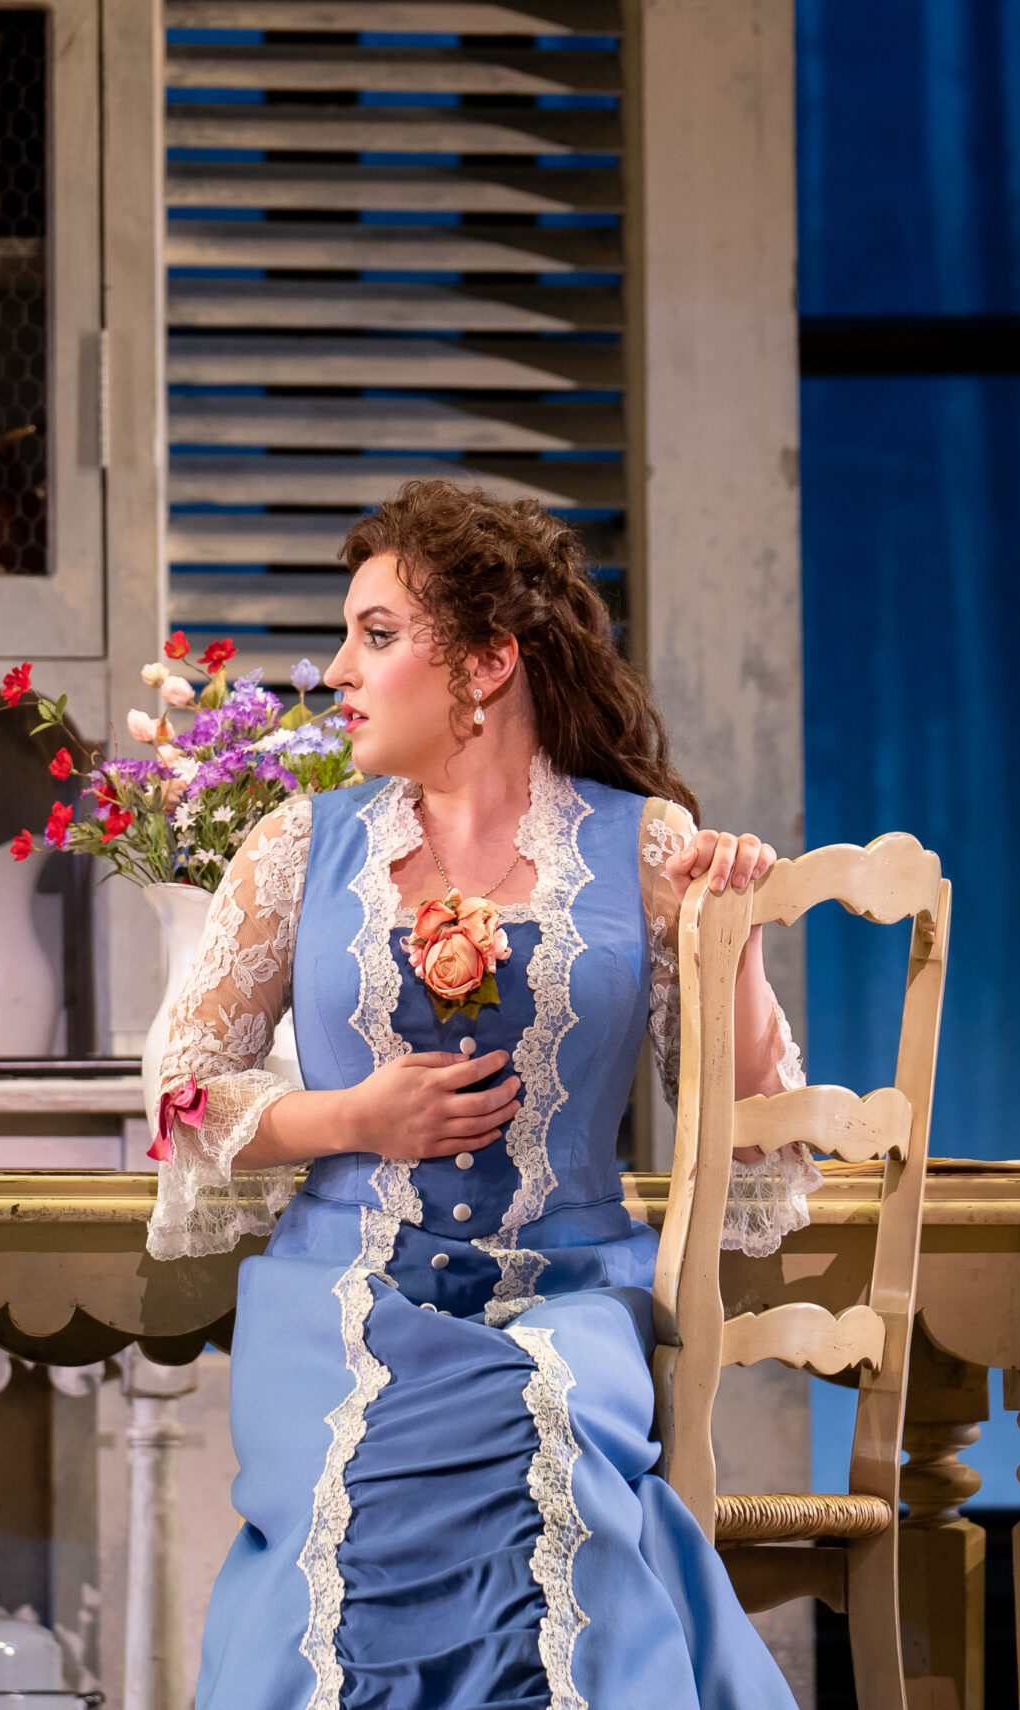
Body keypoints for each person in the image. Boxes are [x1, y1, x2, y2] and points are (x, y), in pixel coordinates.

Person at [151, 480, 820, 1707]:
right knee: (395, 1472)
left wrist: (731, 938)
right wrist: (353, 1119)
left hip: (569, 1297)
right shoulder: (296, 850)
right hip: (342, 1294)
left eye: (377, 633)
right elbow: (183, 1099)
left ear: (487, 665)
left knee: (542, 1434)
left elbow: (746, 1132)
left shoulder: (646, 846)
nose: (337, 668)